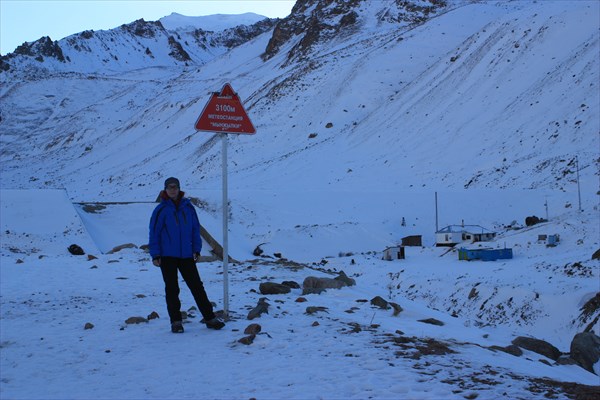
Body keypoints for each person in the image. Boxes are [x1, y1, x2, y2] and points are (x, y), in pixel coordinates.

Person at [149, 177, 225, 333]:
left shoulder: (188, 208)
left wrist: (196, 250)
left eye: (175, 187)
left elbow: (194, 230)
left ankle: (210, 318)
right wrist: (155, 254)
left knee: (197, 286)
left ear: (179, 188)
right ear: (165, 189)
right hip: (167, 256)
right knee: (172, 289)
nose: (172, 190)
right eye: (169, 187)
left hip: (186, 255)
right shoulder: (161, 210)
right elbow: (154, 233)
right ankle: (176, 322)